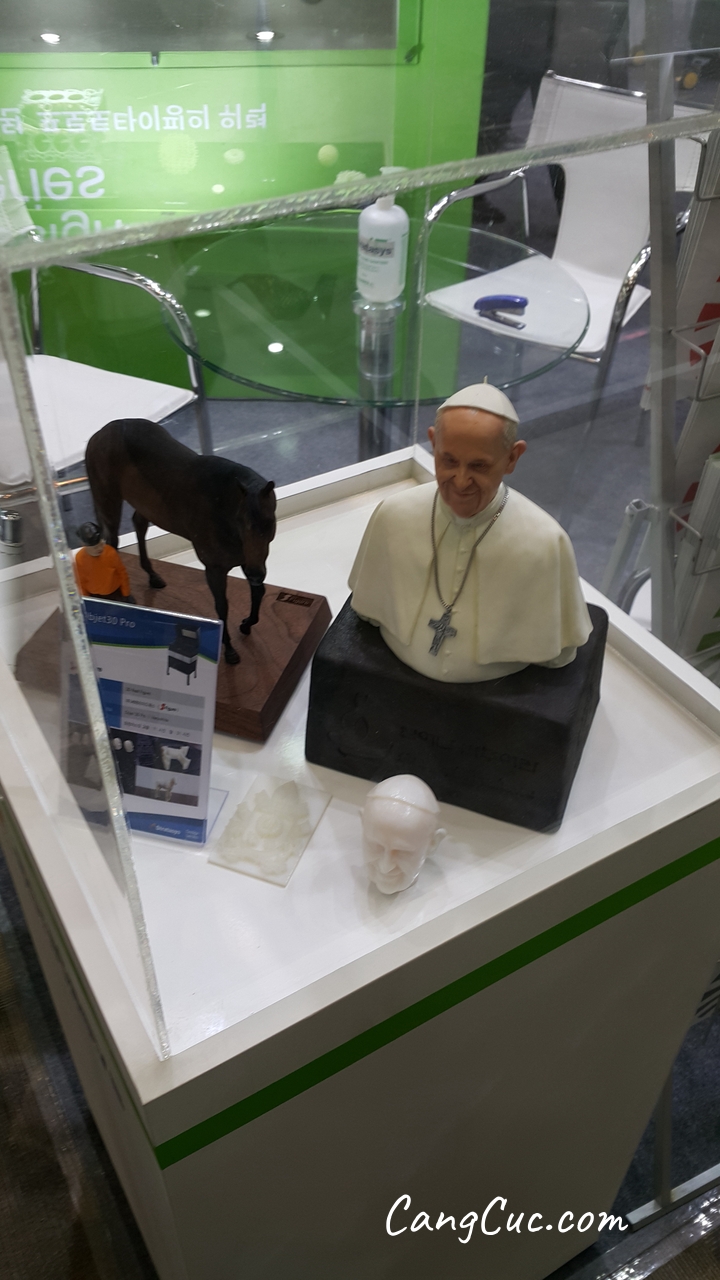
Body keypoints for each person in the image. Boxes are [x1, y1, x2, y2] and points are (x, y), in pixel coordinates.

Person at [348, 383, 592, 683]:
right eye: (449, 460)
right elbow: (367, 608)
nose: (461, 481)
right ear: (433, 442)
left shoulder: (546, 543)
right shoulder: (393, 515)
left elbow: (559, 654)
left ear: (512, 458)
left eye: (479, 466)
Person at [73, 522, 135, 603]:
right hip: (95, 597)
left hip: (115, 594)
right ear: (84, 545)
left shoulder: (110, 553)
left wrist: (126, 593)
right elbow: (81, 582)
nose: (100, 548)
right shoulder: (79, 559)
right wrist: (87, 600)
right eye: (95, 547)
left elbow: (122, 573)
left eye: (102, 544)